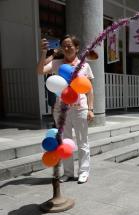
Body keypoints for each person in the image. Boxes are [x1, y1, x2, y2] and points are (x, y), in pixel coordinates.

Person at [37, 35, 94, 184]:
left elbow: (89, 90)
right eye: (64, 45)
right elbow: (40, 71)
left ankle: (83, 172)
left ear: (76, 48)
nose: (67, 48)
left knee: (82, 142)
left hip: (80, 108)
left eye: (70, 45)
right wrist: (44, 52)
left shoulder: (84, 65)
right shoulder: (56, 63)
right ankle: (68, 172)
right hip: (61, 110)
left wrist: (91, 108)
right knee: (64, 142)